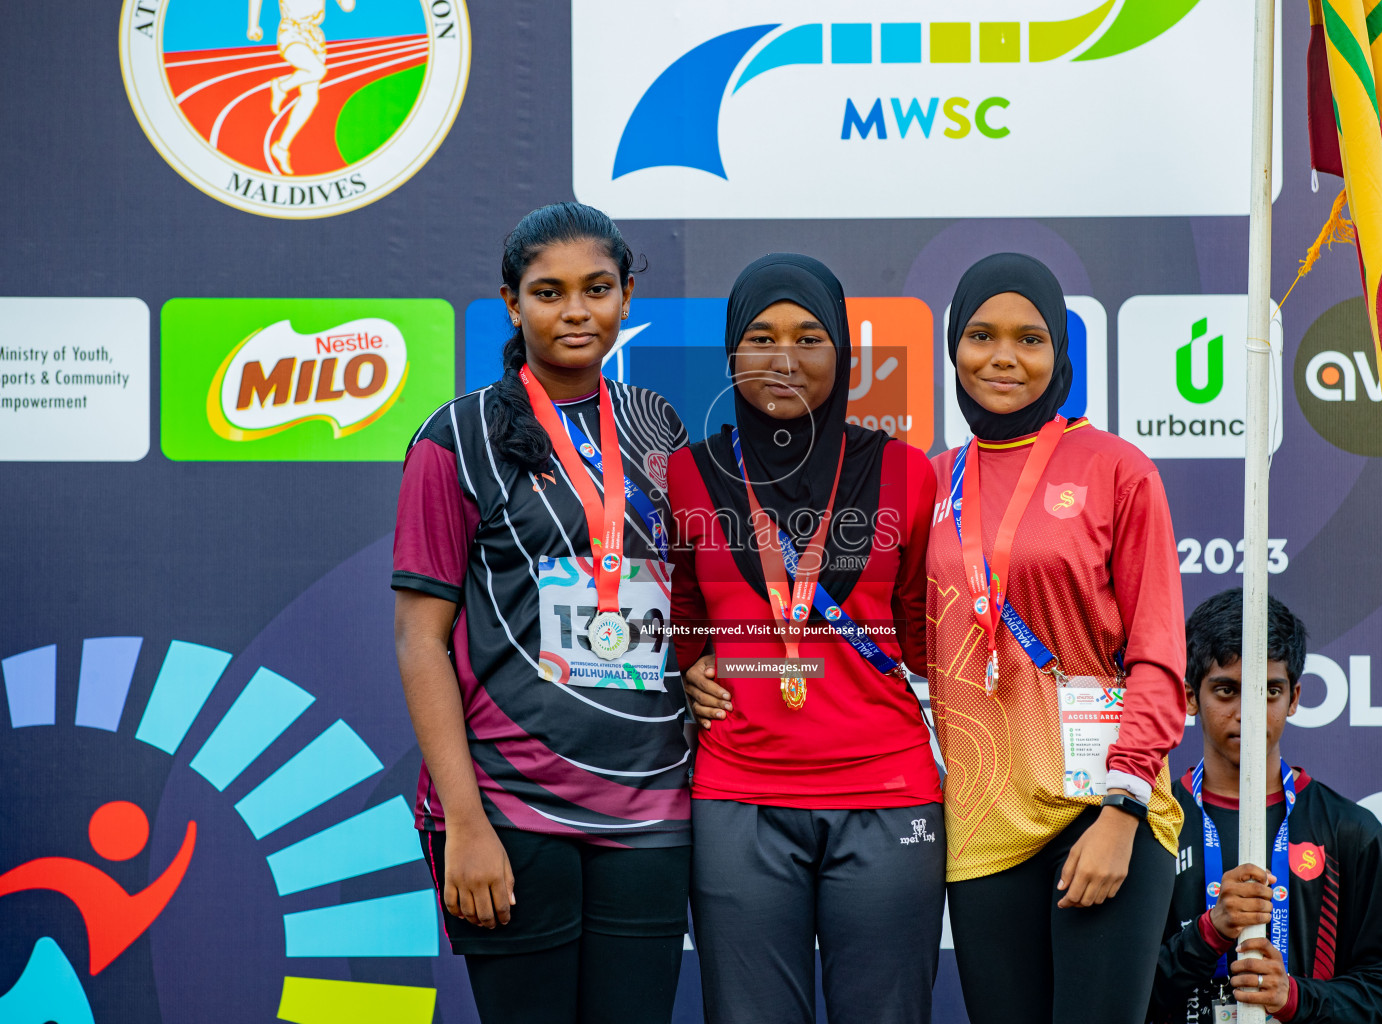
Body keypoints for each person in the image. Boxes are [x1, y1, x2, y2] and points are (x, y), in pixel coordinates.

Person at [391, 202, 692, 1024]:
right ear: (510, 302)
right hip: (509, 807)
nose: (574, 311)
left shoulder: (655, 423)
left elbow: (678, 591)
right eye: (548, 291)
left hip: (651, 805)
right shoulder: (455, 438)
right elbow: (422, 642)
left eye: (596, 289)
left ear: (627, 297)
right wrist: (465, 822)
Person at [673, 253, 945, 1024]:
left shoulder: (903, 473)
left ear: (844, 355)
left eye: (808, 337)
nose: (784, 358)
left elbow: (925, 631)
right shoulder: (690, 475)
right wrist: (688, 665)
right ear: (731, 354)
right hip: (740, 796)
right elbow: (681, 612)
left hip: (887, 794)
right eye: (760, 337)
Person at [926, 253, 1187, 1024]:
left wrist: (1122, 814)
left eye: (1030, 338)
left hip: (1105, 812)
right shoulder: (933, 481)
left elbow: (1159, 653)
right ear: (953, 347)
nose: (1003, 356)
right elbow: (904, 637)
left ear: (1059, 352)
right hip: (982, 823)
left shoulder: (1116, 468)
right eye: (980, 335)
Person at [1147, 588, 1382, 1023]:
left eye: (1268, 691)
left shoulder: (1349, 829)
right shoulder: (1153, 824)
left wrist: (1293, 998)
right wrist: (1208, 933)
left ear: (1294, 698)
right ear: (1191, 697)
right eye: (1226, 690)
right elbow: (1122, 991)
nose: (1248, 711)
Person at [246, 0, 357, 175]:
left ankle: (281, 147)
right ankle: (282, 86)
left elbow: (348, 7)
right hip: (292, 32)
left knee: (310, 98)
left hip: (315, 37)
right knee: (318, 70)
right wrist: (253, 24)